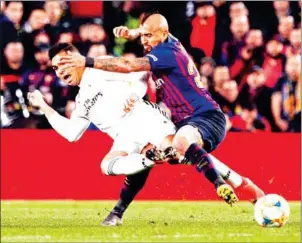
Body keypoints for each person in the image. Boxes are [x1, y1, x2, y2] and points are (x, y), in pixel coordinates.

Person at [58, 13, 242, 205]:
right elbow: (154, 33)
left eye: (148, 36)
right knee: (174, 152)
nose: (144, 41)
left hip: (203, 115)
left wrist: (86, 61)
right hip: (188, 118)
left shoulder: (165, 53)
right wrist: (134, 32)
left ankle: (220, 183)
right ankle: (246, 186)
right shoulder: (168, 41)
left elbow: (129, 65)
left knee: (180, 144)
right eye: (143, 36)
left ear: (163, 34)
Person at [27, 42, 176, 182]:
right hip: (125, 137)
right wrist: (43, 106)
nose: (60, 71)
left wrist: (134, 94)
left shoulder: (100, 66)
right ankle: (150, 158)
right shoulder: (81, 100)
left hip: (144, 119)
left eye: (62, 64)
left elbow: (141, 72)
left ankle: (177, 152)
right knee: (107, 165)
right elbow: (71, 134)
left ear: (75, 58)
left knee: (178, 153)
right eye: (55, 68)